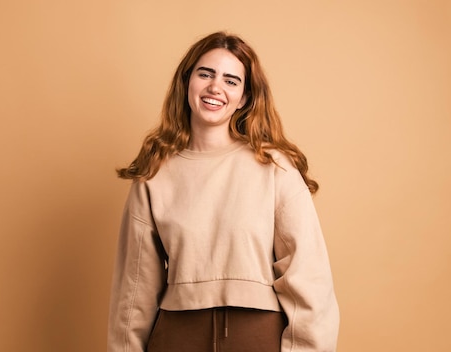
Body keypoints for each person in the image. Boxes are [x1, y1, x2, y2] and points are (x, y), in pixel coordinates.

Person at [107, 31, 339, 352]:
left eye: (231, 80)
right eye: (206, 74)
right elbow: (134, 290)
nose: (216, 87)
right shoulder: (155, 173)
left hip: (258, 337)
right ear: (187, 81)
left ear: (244, 98)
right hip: (176, 338)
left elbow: (309, 279)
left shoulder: (274, 167)